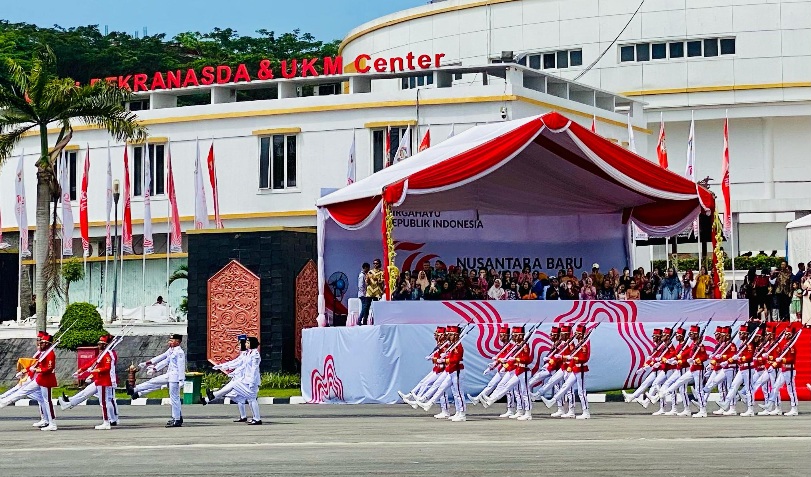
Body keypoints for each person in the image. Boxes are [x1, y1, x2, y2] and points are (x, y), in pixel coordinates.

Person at [59, 334, 119, 429]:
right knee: (86, 392)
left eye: (100, 343)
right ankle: (69, 402)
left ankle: (110, 420)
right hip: (99, 379)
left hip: (105, 380)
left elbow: (107, 368)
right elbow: (93, 362)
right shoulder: (102, 353)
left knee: (106, 401)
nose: (98, 345)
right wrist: (81, 370)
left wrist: (95, 371)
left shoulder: (109, 354)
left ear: (106, 344)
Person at [0, 332, 57, 430]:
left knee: (47, 401)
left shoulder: (50, 353)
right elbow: (34, 364)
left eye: (42, 342)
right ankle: (3, 402)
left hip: (46, 380)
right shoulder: (43, 353)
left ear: (47, 343)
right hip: (39, 379)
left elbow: (49, 368)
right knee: (23, 391)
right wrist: (25, 370)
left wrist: (36, 370)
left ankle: (52, 424)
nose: (40, 344)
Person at [129, 333, 186, 427]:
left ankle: (177, 419)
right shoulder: (171, 350)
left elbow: (181, 366)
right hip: (170, 375)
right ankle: (177, 418)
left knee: (174, 398)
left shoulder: (179, 352)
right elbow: (163, 359)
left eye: (172, 341)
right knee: (155, 383)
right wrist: (149, 365)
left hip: (175, 377)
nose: (169, 342)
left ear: (178, 342)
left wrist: (181, 380)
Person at [204, 336, 262, 424]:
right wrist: (222, 366)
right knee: (250, 399)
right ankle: (256, 418)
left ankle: (257, 419)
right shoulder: (248, 353)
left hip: (251, 381)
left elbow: (254, 369)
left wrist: (252, 382)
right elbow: (239, 363)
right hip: (245, 379)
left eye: (247, 343)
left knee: (249, 397)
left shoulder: (255, 355)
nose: (245, 344)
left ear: (252, 344)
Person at [415, 325, 467, 421]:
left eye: (451, 335)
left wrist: (443, 359)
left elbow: (455, 360)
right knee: (441, 388)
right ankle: (430, 403)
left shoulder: (458, 346)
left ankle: (462, 413)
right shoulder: (452, 345)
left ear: (456, 335)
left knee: (458, 393)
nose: (448, 337)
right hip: (451, 371)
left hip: (457, 370)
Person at [540, 324, 591, 419]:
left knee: (581, 391)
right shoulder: (578, 344)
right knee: (565, 386)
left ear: (582, 334)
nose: (576, 334)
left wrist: (569, 358)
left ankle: (586, 412)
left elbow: (584, 358)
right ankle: (552, 401)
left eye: (578, 333)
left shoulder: (583, 345)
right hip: (575, 369)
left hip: (581, 369)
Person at [401, 327, 452, 419]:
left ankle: (443, 409)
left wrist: (437, 359)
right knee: (425, 383)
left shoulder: (447, 345)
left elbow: (447, 359)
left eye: (438, 334)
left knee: (439, 389)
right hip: (438, 368)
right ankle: (414, 397)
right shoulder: (441, 344)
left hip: (443, 369)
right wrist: (434, 359)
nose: (435, 336)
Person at [362, 259, 384, 325]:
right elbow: (366, 283)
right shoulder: (370, 272)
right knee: (366, 307)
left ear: (379, 264)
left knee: (376, 307)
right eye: (374, 263)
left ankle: (376, 321)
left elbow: (382, 282)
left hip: (377, 292)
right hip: (369, 291)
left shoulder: (382, 272)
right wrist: (367, 280)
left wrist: (376, 278)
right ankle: (364, 321)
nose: (375, 265)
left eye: (376, 263)